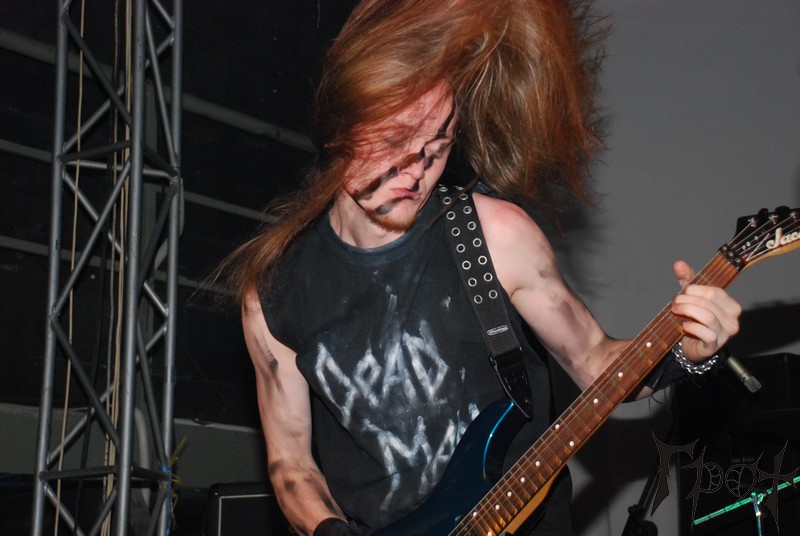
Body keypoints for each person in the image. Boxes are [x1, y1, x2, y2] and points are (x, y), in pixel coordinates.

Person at [220, 0, 742, 534]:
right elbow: (291, 465)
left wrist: (685, 352)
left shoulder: (493, 234)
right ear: (340, 129)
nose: (416, 172)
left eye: (437, 146)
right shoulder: (275, 290)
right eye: (396, 141)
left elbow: (593, 360)